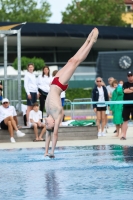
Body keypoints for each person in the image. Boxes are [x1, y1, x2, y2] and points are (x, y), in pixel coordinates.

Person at [44, 28, 99, 158]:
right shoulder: (57, 116)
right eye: (47, 124)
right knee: (75, 62)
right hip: (59, 85)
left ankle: (87, 40)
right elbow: (54, 135)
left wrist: (45, 152)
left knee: (71, 60)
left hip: (54, 82)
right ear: (52, 125)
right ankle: (91, 43)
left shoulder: (48, 113)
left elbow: (47, 136)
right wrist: (52, 152)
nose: (45, 122)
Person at [121, 71, 133, 140]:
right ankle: (124, 135)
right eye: (129, 76)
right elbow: (125, 91)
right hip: (127, 105)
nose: (130, 77)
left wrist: (130, 89)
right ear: (127, 77)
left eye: (131, 75)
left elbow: (127, 90)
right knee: (125, 120)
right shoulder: (125, 84)